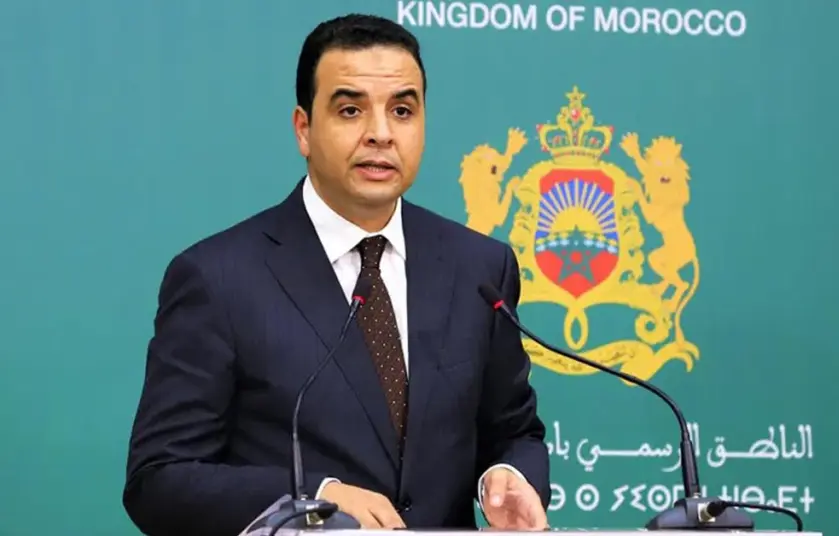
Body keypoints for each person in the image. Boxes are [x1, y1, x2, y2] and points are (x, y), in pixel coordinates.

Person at [122, 13, 550, 536]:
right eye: (351, 110)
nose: (380, 134)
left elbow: (514, 432)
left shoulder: (479, 266)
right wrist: (309, 500)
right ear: (303, 129)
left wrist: (509, 477)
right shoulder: (218, 279)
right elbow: (159, 479)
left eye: (402, 111)